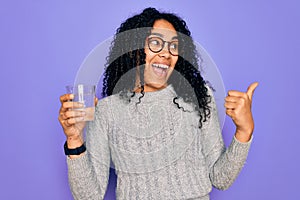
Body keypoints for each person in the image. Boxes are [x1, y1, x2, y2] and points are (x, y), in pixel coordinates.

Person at [58, 7, 258, 200]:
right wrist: (75, 139)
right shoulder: (106, 111)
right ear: (133, 50)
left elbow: (220, 178)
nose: (166, 53)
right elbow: (89, 196)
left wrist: (244, 130)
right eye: (155, 43)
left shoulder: (197, 96)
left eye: (173, 46)